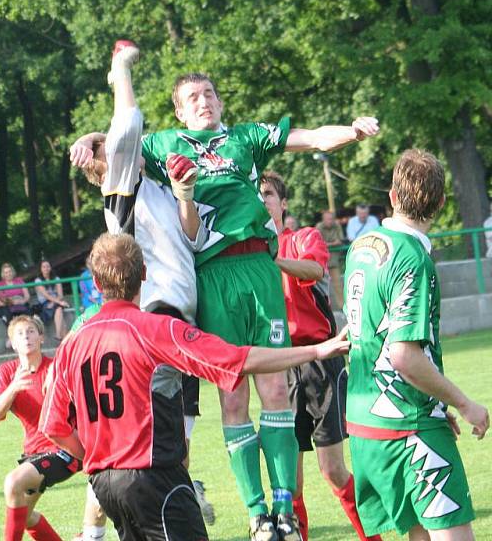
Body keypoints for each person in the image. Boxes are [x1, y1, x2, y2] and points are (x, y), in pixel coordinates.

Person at [139, 65, 379, 539]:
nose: (203, 100)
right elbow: (114, 146)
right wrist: (88, 139)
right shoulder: (164, 144)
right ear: (178, 110)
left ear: (220, 102)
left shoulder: (245, 137)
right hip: (212, 274)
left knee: (274, 393)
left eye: (209, 93)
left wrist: (352, 131)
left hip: (259, 269)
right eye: (192, 97)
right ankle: (256, 513)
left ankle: (284, 507)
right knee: (234, 398)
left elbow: (311, 139)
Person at [40, 233, 350, 541]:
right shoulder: (155, 329)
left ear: (95, 282)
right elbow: (238, 359)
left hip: (104, 486)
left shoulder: (72, 344)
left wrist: (97, 462)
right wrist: (316, 351)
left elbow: (53, 426)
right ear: (145, 274)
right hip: (155, 477)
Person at [69, 39, 215, 534]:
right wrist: (122, 70)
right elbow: (128, 126)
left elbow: (193, 237)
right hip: (157, 321)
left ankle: (170, 499)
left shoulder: (152, 185)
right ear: (107, 166)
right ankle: (95, 530)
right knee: (139, 442)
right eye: (112, 150)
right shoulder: (121, 192)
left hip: (179, 319)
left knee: (174, 436)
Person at [344, 149, 489, 540]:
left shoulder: (362, 246)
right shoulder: (412, 259)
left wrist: (437, 403)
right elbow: (403, 355)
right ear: (441, 203)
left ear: (392, 197)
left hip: (364, 423)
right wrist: (464, 402)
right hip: (405, 424)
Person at [261, 172, 381, 541]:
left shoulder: (303, 238)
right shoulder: (245, 255)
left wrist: (274, 260)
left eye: (268, 194)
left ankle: (372, 537)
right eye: (256, 194)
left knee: (333, 470)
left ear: (283, 204)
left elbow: (314, 270)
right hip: (279, 369)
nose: (262, 199)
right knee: (289, 484)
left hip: (320, 363)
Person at [0, 315, 79, 541]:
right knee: (24, 517)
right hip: (34, 454)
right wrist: (13, 388)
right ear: (12, 343)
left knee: (13, 482)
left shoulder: (56, 368)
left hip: (65, 450)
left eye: (31, 331)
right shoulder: (7, 372)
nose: (26, 336)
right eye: (20, 333)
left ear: (41, 338)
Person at [316, 210, 346, 309]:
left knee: (338, 285)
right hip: (321, 262)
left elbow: (340, 240)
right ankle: (322, 307)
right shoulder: (319, 227)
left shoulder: (337, 226)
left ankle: (342, 307)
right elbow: (318, 243)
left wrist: (328, 244)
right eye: (328, 219)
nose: (330, 221)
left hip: (333, 260)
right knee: (319, 286)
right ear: (323, 219)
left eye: (331, 219)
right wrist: (332, 243)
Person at [33, 260, 70, 340]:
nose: (46, 268)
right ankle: (64, 339)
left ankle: (58, 335)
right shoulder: (38, 280)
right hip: (45, 302)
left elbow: (60, 295)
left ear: (50, 268)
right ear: (40, 269)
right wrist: (59, 302)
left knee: (58, 308)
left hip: (56, 301)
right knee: (59, 309)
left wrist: (54, 302)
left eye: (48, 266)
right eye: (44, 267)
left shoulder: (56, 278)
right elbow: (46, 296)